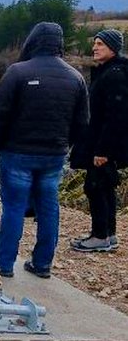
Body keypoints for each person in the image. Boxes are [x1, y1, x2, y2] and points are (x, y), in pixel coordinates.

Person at [0, 22, 89, 278]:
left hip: (17, 152)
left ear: (33, 41)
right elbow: (82, 122)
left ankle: (3, 264)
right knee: (49, 208)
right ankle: (42, 263)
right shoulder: (75, 77)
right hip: (54, 154)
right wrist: (64, 146)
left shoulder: (17, 72)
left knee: (14, 207)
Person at [69, 29, 128, 252]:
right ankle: (108, 235)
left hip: (104, 145)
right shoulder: (109, 72)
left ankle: (100, 236)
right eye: (95, 43)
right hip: (103, 143)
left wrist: (103, 150)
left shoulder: (114, 75)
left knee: (95, 187)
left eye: (101, 44)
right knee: (105, 186)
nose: (94, 47)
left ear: (113, 48)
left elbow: (116, 117)